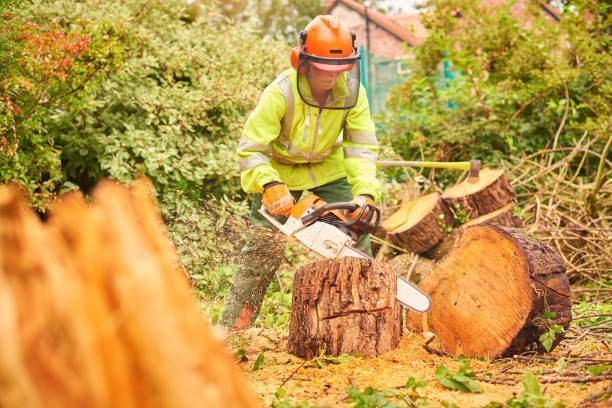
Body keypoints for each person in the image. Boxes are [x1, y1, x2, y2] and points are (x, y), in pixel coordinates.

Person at [220, 15, 381, 329]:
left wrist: (365, 193)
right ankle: (233, 326)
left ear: (350, 64)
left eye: (339, 70)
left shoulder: (353, 91)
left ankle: (369, 318)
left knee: (356, 236)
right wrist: (268, 183)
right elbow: (251, 149)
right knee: (261, 251)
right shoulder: (281, 93)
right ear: (303, 61)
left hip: (328, 169)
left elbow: (361, 147)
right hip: (280, 172)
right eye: (323, 69)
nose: (331, 77)